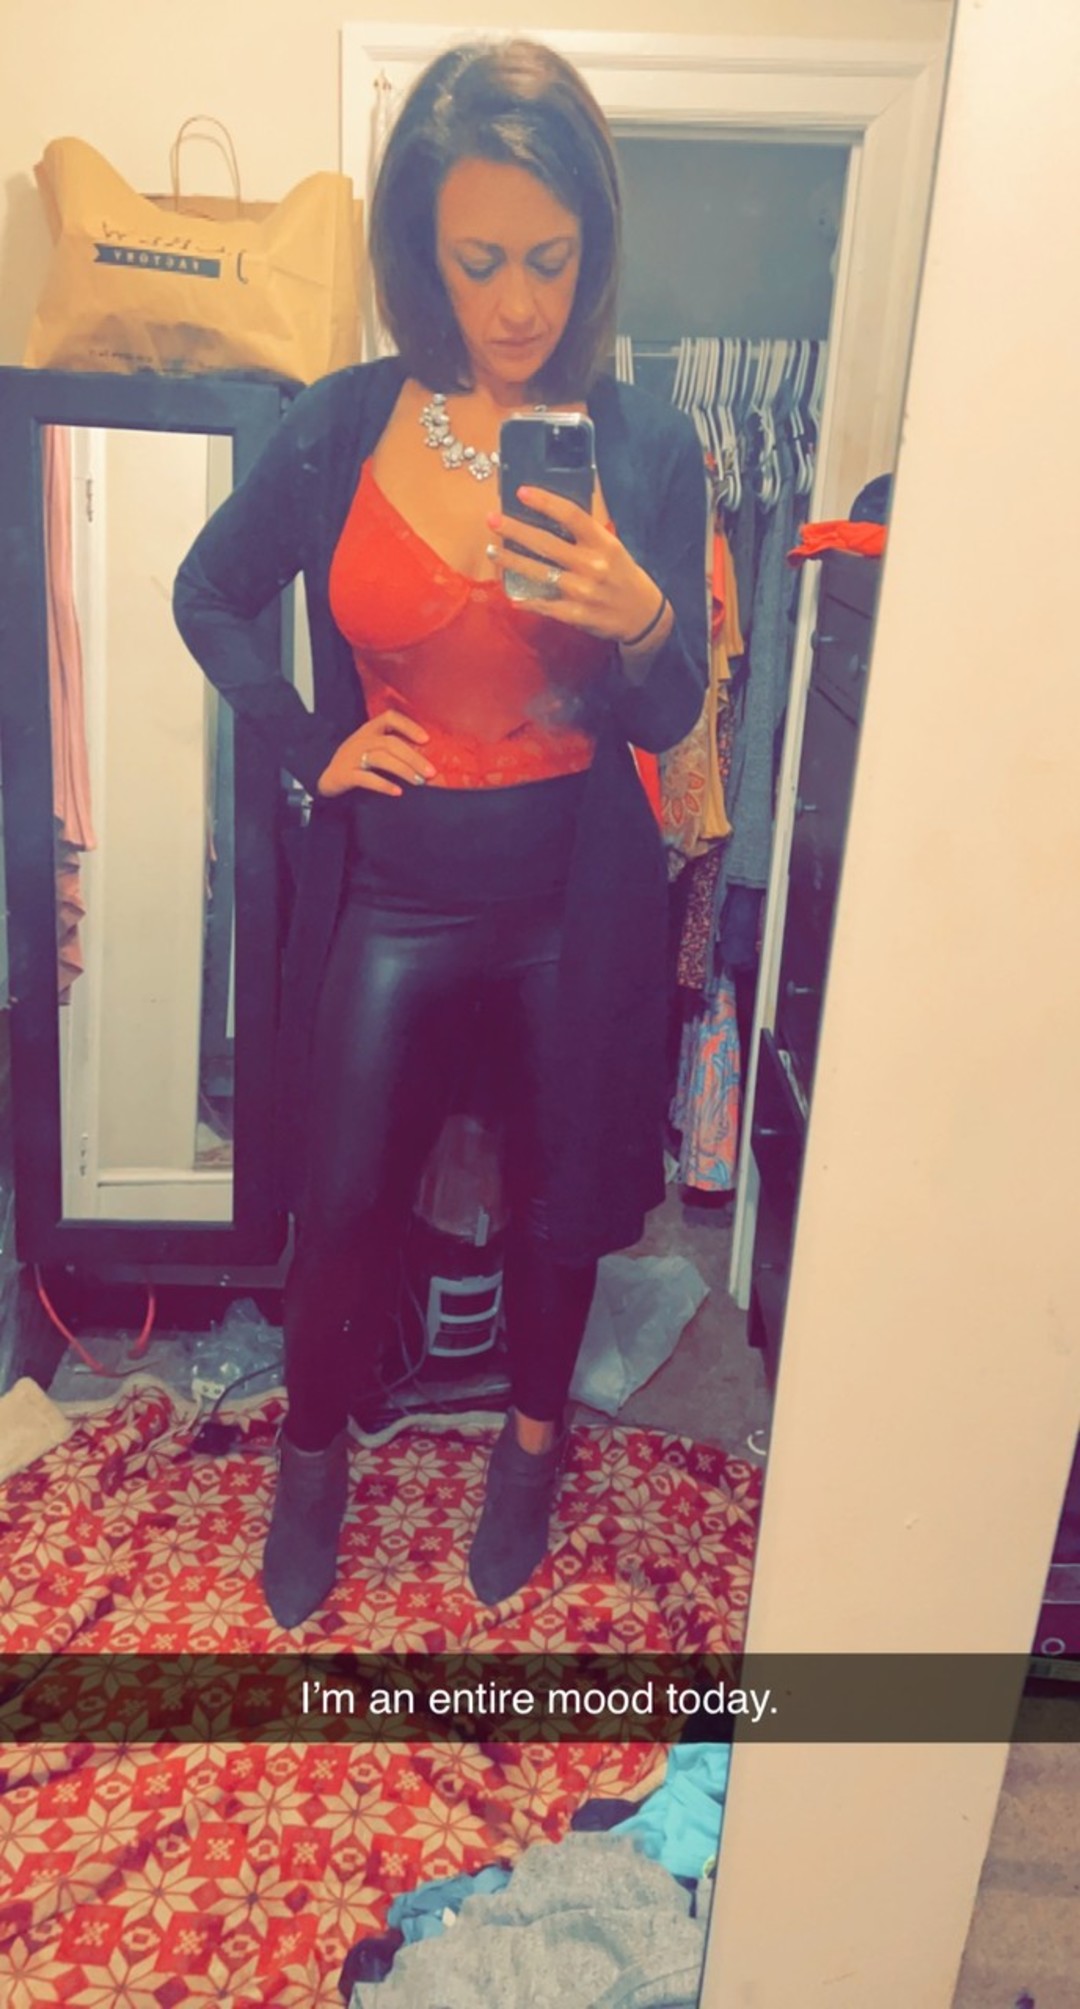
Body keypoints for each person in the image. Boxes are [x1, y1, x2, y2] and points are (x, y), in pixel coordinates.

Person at [173, 37, 708, 1631]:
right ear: (424, 249)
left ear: (594, 250)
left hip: (573, 892)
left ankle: (529, 1458)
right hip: (397, 883)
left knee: (560, 1202)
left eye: (552, 258)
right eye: (481, 261)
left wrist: (644, 612)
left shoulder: (647, 445)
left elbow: (672, 714)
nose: (520, 303)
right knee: (339, 1200)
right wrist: (312, 744)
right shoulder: (345, 423)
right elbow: (209, 592)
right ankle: (313, 1463)